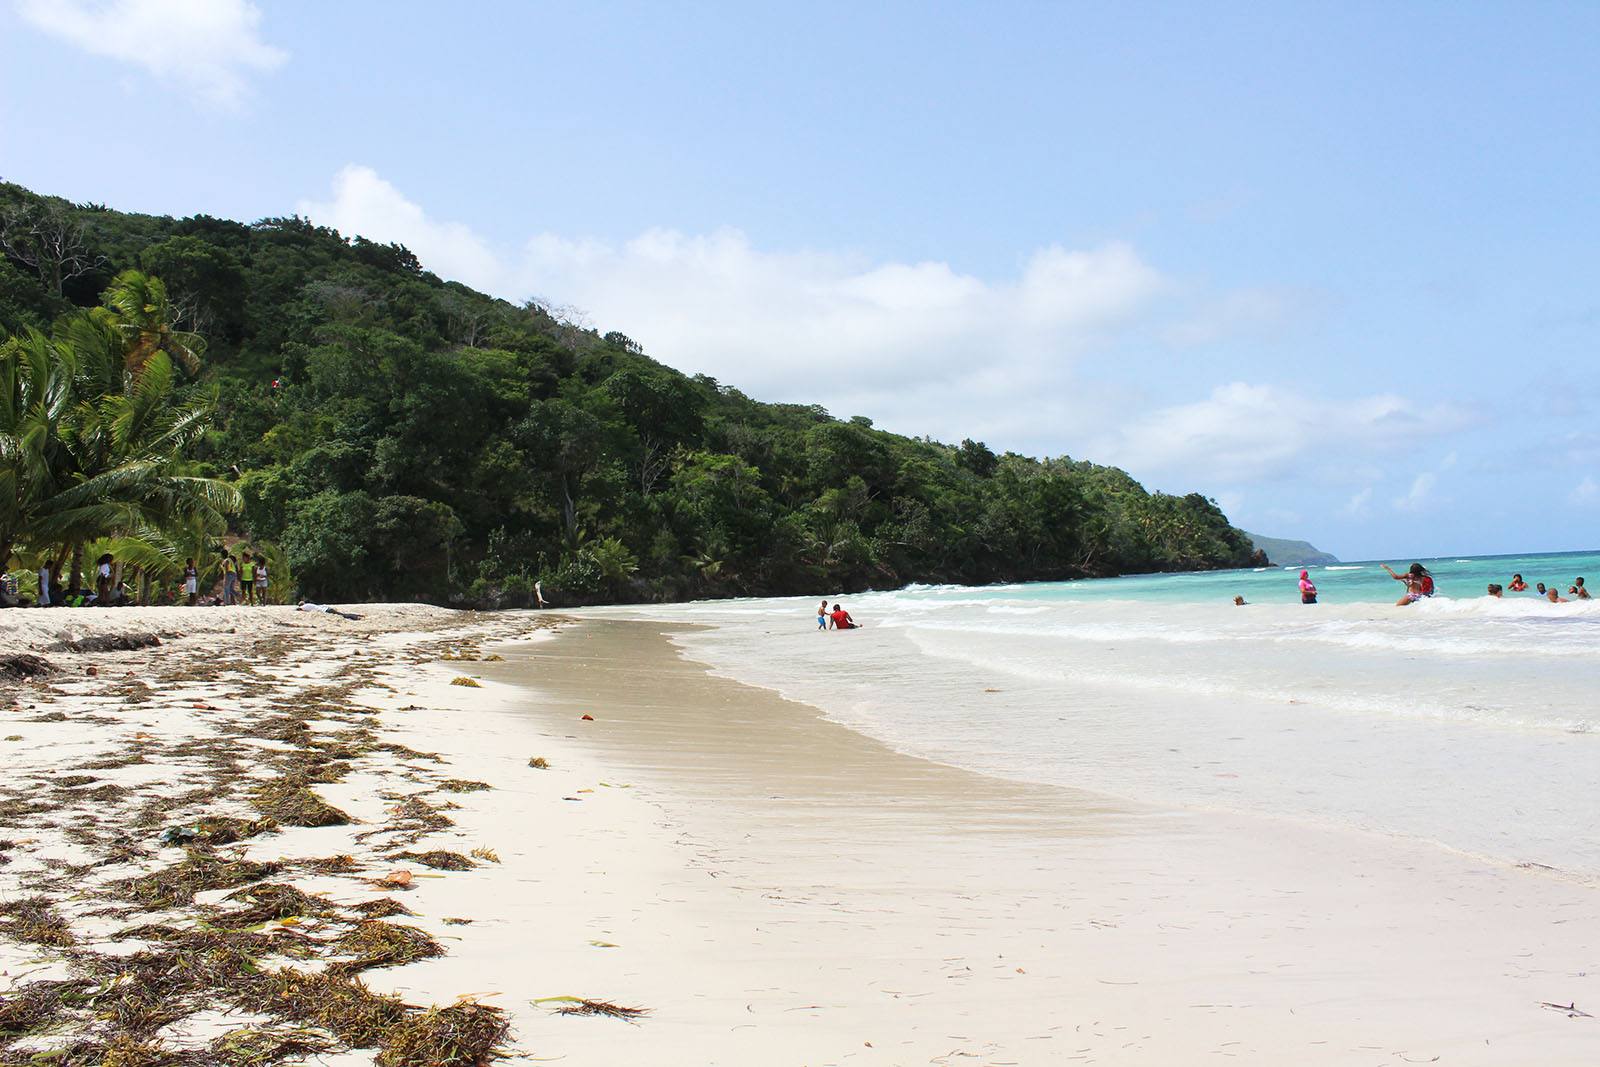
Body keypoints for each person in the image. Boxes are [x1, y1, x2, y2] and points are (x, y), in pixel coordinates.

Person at [298, 601, 363, 620]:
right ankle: (357, 616)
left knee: (343, 615)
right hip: (327, 609)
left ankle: (356, 617)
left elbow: (299, 609)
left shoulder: (305, 606)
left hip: (326, 611)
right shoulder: (310, 604)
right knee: (342, 614)